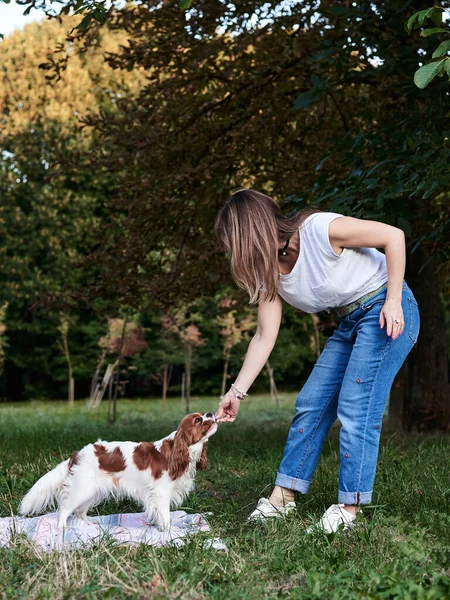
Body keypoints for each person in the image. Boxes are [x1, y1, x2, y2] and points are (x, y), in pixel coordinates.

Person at [214, 189, 420, 534]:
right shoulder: (271, 276)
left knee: (357, 405)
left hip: (386, 306)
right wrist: (237, 391)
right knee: (311, 403)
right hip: (350, 320)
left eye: (233, 243)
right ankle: (283, 497)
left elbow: (393, 236)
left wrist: (395, 300)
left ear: (250, 233)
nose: (232, 253)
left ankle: (349, 508)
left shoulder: (319, 229)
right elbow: (264, 336)